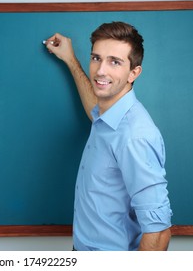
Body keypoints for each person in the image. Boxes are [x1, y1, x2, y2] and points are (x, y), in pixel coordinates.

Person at [44, 22, 172, 251]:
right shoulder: (108, 116)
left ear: (134, 73)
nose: (101, 70)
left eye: (115, 62)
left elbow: (159, 232)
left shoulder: (135, 136)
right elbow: (95, 106)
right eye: (96, 58)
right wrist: (71, 60)